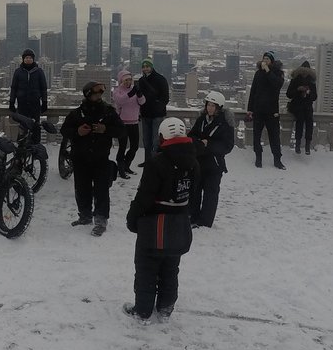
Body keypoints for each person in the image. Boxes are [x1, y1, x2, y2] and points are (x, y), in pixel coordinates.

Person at [123, 118, 197, 323]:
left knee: (147, 269)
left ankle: (143, 310)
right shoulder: (193, 160)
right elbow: (195, 192)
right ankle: (166, 306)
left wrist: (133, 218)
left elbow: (145, 196)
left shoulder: (157, 162)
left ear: (162, 136)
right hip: (180, 223)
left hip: (154, 224)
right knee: (171, 268)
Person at [62, 81, 123, 236]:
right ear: (88, 94)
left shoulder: (109, 112)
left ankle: (101, 220)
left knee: (101, 190)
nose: (99, 96)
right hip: (80, 158)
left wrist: (106, 129)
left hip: (101, 158)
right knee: (82, 188)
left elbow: (121, 131)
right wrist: (77, 132)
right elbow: (64, 130)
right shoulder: (77, 113)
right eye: (96, 93)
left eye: (100, 93)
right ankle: (85, 215)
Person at [188, 91, 235, 228]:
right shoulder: (201, 119)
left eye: (213, 106)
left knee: (211, 194)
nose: (210, 108)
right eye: (208, 105)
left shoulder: (225, 123)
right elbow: (191, 135)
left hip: (214, 164)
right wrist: (198, 142)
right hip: (198, 162)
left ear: (218, 107)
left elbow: (228, 145)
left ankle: (205, 221)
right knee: (195, 191)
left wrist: (209, 145)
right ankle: (193, 217)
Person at [246, 50, 285, 169]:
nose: (265, 61)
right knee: (256, 135)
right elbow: (253, 91)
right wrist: (250, 109)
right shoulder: (258, 74)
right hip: (258, 110)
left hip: (272, 111)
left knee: (274, 136)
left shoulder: (278, 73)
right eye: (264, 59)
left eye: (267, 59)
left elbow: (277, 84)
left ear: (272, 61)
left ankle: (277, 160)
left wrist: (268, 71)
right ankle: (258, 157)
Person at [8, 49, 48, 146]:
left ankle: (36, 147)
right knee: (23, 126)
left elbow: (43, 88)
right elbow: (14, 88)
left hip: (35, 105)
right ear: (23, 59)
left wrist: (45, 102)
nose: (28, 59)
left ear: (33, 59)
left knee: (36, 126)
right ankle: (21, 148)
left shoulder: (39, 72)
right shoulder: (18, 72)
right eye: (26, 58)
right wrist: (11, 102)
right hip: (22, 104)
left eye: (30, 58)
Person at [134, 58, 169, 162]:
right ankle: (147, 161)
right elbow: (138, 97)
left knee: (156, 140)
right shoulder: (141, 81)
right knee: (146, 140)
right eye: (143, 67)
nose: (145, 69)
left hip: (157, 115)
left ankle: (155, 162)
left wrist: (157, 107)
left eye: (147, 66)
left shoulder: (161, 79)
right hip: (145, 114)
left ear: (152, 67)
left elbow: (165, 98)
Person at [111, 69, 143, 178]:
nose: (128, 82)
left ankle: (126, 165)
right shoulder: (117, 91)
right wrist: (131, 93)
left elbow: (142, 102)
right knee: (122, 147)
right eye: (126, 80)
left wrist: (139, 94)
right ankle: (121, 169)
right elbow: (120, 101)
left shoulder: (134, 90)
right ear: (121, 81)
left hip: (134, 121)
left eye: (130, 79)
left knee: (134, 147)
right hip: (122, 123)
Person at [286, 60, 318, 156]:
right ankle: (298, 144)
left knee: (309, 122)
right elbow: (289, 94)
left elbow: (314, 96)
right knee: (300, 121)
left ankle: (306, 144)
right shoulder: (295, 80)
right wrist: (298, 90)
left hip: (307, 105)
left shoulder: (311, 82)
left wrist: (308, 93)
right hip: (297, 105)